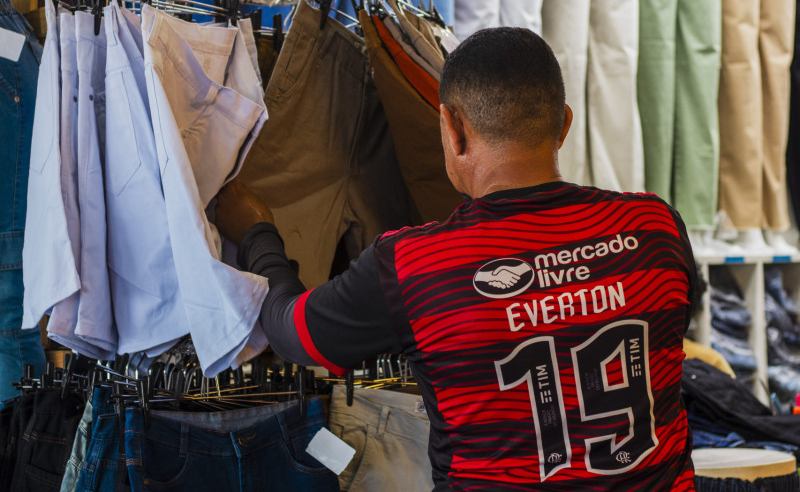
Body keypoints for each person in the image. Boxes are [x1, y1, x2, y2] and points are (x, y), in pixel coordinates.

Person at [215, 27, 698, 490]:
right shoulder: (656, 227)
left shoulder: (416, 264)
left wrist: (257, 233)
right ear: (564, 124)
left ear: (453, 128)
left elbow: (294, 334)